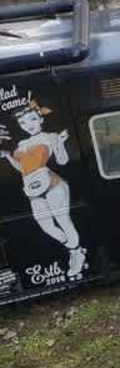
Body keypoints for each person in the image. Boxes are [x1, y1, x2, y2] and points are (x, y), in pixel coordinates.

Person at [0, 100, 86, 280]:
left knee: (63, 219)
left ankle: (76, 254)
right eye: (23, 123)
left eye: (31, 119)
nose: (28, 125)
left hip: (52, 182)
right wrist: (8, 156)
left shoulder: (50, 136)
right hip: (31, 186)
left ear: (40, 119)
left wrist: (60, 143)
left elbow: (62, 161)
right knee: (45, 225)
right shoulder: (22, 143)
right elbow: (22, 168)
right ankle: (74, 247)